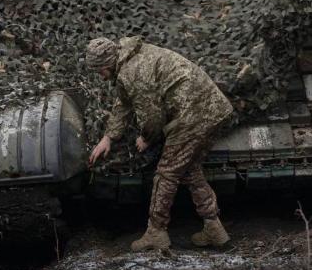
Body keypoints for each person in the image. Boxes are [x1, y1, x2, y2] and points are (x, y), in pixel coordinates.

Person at [86, 36, 233, 251]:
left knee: (166, 173)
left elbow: (152, 117)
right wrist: (108, 137)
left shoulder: (133, 72)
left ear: (107, 65)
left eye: (99, 71)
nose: (100, 76)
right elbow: (123, 102)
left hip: (192, 116)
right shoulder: (129, 57)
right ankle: (214, 228)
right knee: (189, 169)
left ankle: (156, 231)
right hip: (213, 109)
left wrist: (146, 138)